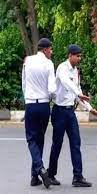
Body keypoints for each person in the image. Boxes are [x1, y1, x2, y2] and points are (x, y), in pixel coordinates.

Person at [48, 44, 97, 187]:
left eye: (80, 56)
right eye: (77, 56)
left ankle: (78, 177)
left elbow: (78, 92)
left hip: (70, 112)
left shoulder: (76, 71)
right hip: (59, 111)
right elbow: (66, 84)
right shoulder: (62, 68)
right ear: (70, 55)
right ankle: (50, 174)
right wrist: (78, 93)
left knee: (76, 143)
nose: (79, 58)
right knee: (57, 145)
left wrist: (90, 109)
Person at [22, 38, 56, 188]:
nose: (52, 52)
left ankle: (39, 169)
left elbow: (24, 83)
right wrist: (50, 98)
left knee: (31, 140)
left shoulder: (27, 60)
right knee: (40, 139)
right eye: (51, 49)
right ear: (45, 50)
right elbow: (52, 90)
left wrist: (27, 99)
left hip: (30, 104)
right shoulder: (49, 64)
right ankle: (34, 176)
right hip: (43, 106)